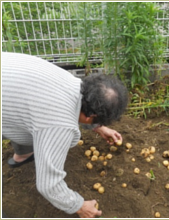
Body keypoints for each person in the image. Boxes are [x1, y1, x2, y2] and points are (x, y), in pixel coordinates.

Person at [2, 52, 128, 217]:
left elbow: (31, 106)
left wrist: (97, 127)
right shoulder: (59, 125)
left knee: (26, 115)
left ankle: (23, 153)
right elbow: (48, 185)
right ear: (91, 116)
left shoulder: (71, 81)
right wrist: (79, 205)